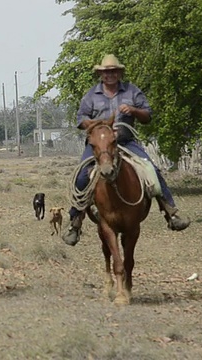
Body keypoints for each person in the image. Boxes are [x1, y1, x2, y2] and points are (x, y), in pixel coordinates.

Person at [62, 54, 190, 246]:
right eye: (106, 72)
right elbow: (81, 119)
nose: (110, 75)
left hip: (125, 141)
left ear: (119, 73)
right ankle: (75, 221)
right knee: (82, 176)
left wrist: (134, 111)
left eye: (113, 71)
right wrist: (97, 125)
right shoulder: (91, 95)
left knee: (151, 170)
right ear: (101, 74)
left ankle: (170, 213)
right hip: (99, 145)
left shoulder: (132, 91)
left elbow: (147, 116)